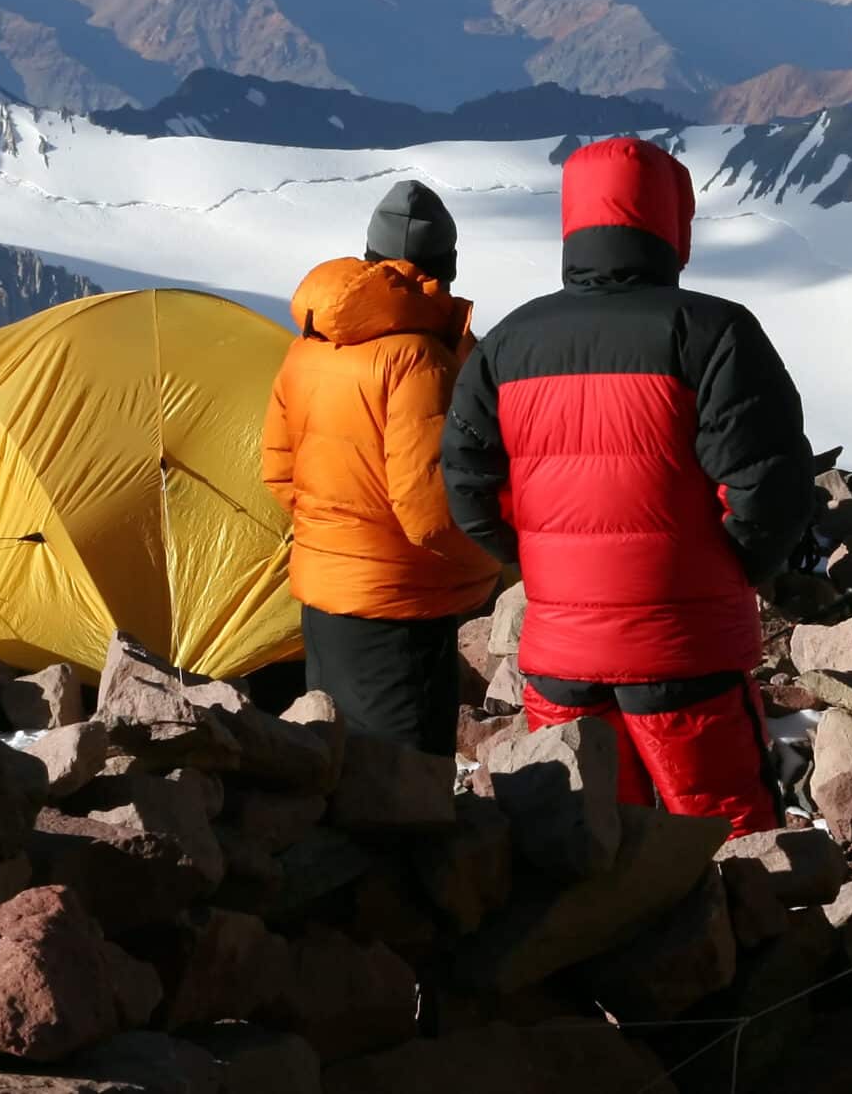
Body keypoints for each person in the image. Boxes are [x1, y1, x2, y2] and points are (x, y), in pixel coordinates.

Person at [441, 136, 813, 833]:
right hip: (686, 648)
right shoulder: (715, 332)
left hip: (560, 656)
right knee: (728, 835)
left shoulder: (508, 344)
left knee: (598, 842)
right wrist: (736, 568)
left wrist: (545, 565)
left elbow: (467, 484)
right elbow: (770, 483)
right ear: (673, 225)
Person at [261, 180, 501, 755]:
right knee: (403, 792)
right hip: (401, 606)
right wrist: (499, 558)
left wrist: (340, 542)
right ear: (447, 265)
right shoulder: (417, 357)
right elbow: (432, 514)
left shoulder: (311, 344)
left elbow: (278, 472)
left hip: (325, 599)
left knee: (340, 768)